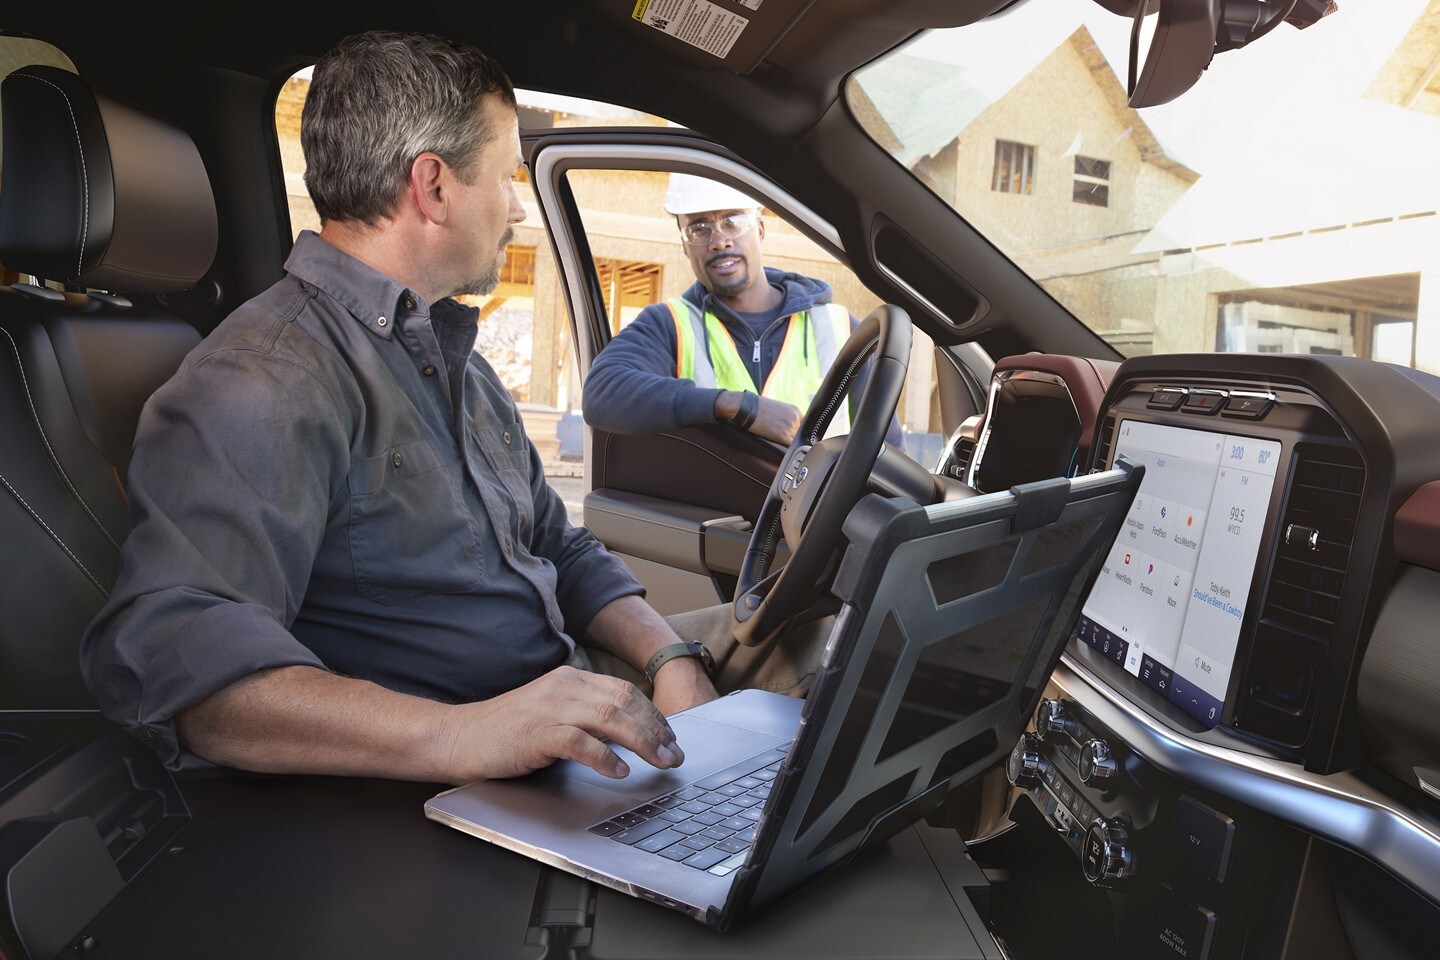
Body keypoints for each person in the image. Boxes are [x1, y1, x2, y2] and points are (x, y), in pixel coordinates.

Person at [80, 31, 780, 788]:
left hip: (558, 699)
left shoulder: (452, 360)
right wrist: (461, 735)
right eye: (507, 175)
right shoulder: (262, 381)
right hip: (456, 766)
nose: (518, 207)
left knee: (815, 641)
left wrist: (668, 659)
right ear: (434, 186)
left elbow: (556, 545)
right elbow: (182, 662)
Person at [583, 173, 904, 449]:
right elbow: (602, 394)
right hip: (716, 519)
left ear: (760, 229)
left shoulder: (842, 330)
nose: (719, 241)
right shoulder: (669, 325)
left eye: (732, 221)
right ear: (684, 245)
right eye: (699, 228)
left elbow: (888, 454)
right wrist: (734, 406)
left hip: (818, 519)